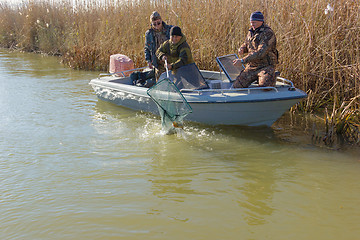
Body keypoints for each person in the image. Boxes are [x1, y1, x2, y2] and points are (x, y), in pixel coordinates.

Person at [232, 11, 278, 88]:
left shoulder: (268, 33)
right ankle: (258, 77)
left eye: (254, 22)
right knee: (237, 86)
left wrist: (243, 60)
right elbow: (247, 44)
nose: (252, 24)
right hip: (252, 66)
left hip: (266, 66)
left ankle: (271, 75)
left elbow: (260, 52)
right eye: (251, 22)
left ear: (261, 21)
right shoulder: (251, 32)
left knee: (265, 86)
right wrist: (242, 48)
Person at [144, 11, 173, 77]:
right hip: (158, 63)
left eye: (158, 23)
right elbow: (147, 48)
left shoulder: (170, 29)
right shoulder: (149, 34)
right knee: (160, 81)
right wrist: (148, 60)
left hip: (171, 61)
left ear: (161, 20)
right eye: (154, 24)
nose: (157, 26)